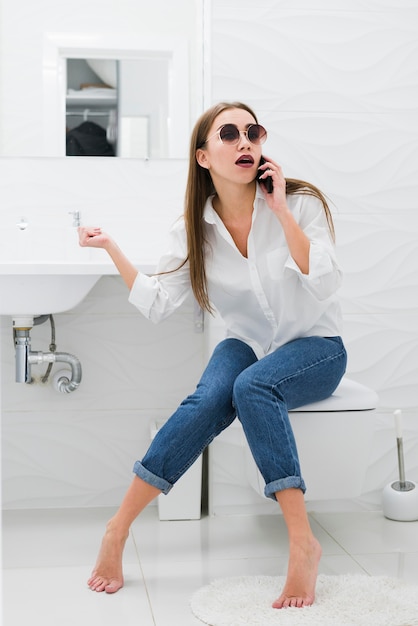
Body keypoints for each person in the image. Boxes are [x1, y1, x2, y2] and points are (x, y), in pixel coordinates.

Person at [78, 101, 347, 608]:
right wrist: (112, 247)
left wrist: (282, 210)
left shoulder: (302, 203)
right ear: (203, 156)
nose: (245, 141)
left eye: (253, 132)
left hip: (317, 346)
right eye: (230, 133)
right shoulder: (194, 231)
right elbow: (158, 302)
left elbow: (326, 283)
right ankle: (117, 529)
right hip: (247, 344)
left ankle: (302, 546)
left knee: (253, 385)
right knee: (207, 400)